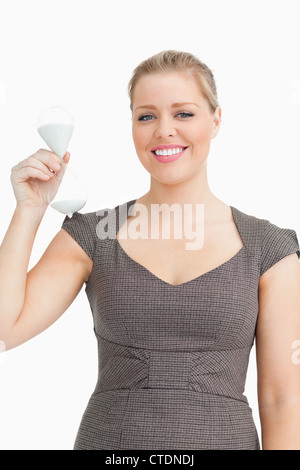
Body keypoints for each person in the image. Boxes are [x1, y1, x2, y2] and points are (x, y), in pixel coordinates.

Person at [1, 50, 300, 450]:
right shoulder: (92, 235)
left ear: (215, 120)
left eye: (184, 113)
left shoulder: (269, 248)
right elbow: (4, 331)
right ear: (132, 128)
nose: (164, 130)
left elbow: (283, 399)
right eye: (146, 116)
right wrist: (29, 211)